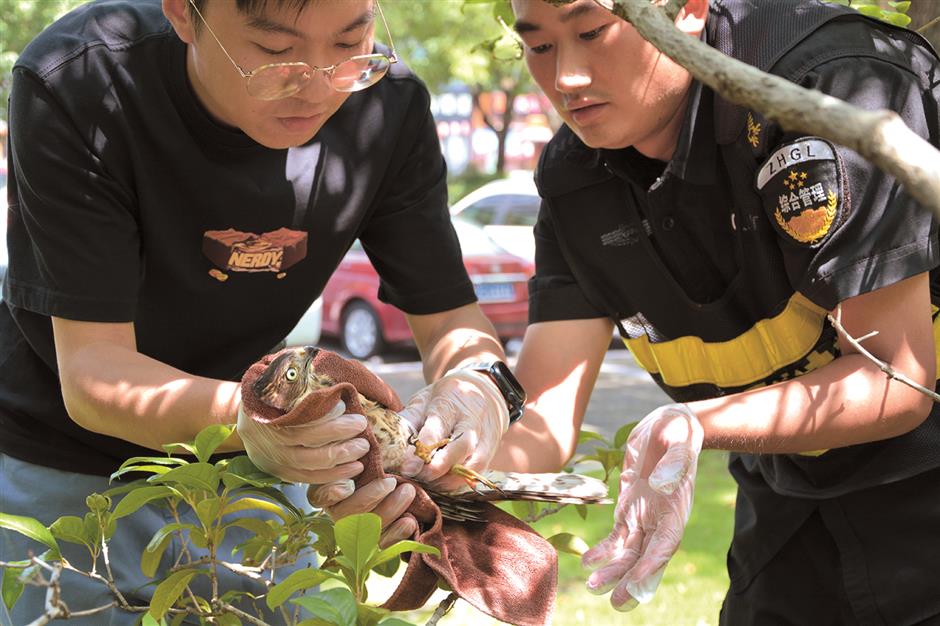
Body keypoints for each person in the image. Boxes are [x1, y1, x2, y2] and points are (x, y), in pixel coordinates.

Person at [0, 0, 513, 623]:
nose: (319, 86)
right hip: (62, 467)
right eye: (276, 54)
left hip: (254, 469)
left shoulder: (387, 108)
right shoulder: (81, 81)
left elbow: (450, 317)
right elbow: (95, 376)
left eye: (351, 44)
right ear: (184, 15)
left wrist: (481, 388)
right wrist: (253, 425)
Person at [487, 0, 940, 622]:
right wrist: (430, 475)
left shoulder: (832, 87)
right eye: (538, 46)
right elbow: (541, 413)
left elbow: (897, 379)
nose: (565, 77)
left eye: (593, 32)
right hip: (790, 505)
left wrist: (697, 422)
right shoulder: (576, 175)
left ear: (688, 11)